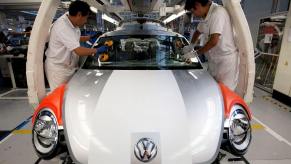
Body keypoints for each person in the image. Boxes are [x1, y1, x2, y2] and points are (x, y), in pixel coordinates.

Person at [45, 1, 108, 90]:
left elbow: (72, 38)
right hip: (59, 70)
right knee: (61, 97)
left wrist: (89, 37)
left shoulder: (71, 19)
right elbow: (78, 51)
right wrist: (96, 50)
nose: (86, 21)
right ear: (79, 15)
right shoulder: (62, 26)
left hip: (69, 67)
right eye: (85, 18)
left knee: (71, 94)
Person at [183, 0, 239, 91]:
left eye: (193, 11)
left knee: (225, 92)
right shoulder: (206, 16)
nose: (194, 14)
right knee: (213, 89)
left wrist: (195, 53)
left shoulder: (218, 13)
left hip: (225, 62)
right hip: (214, 60)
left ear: (197, 4)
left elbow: (213, 41)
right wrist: (191, 45)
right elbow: (197, 32)